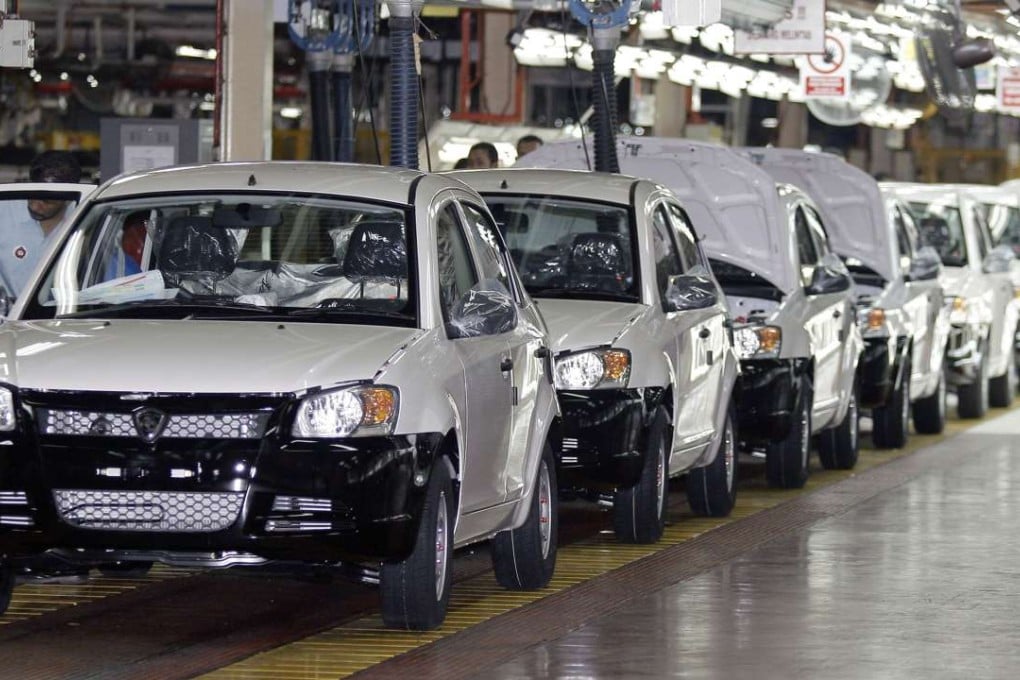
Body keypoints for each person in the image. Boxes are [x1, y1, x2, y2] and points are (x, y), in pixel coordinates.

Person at [0, 150, 83, 297]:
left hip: (59, 315)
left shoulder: (82, 221)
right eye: (34, 196)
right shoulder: (4, 211)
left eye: (47, 201)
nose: (36, 205)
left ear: (67, 199)